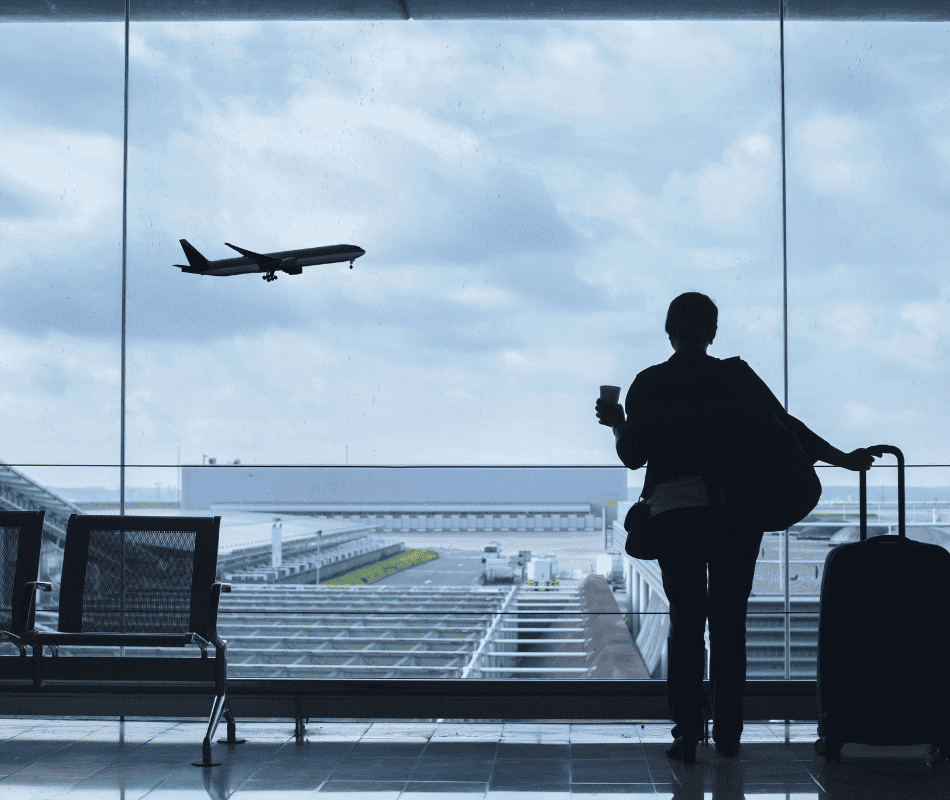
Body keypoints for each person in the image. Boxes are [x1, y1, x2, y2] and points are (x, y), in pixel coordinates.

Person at [595, 291, 873, 764]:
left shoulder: (650, 382)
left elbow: (633, 455)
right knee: (729, 625)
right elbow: (787, 428)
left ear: (669, 330)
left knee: (686, 626)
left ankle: (686, 735)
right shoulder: (735, 377)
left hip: (676, 514)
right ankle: (728, 736)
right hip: (735, 514)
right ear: (713, 332)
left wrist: (618, 422)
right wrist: (842, 459)